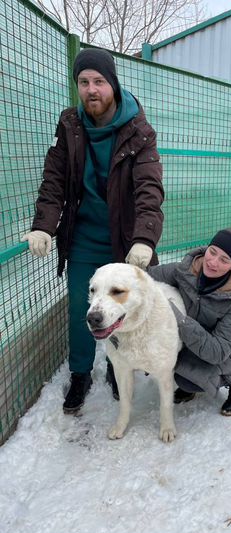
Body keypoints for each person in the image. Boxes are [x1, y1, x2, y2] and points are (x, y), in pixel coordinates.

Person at [22, 48, 164, 413]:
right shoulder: (70, 124)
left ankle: (121, 370)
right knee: (80, 310)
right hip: (84, 236)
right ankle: (81, 374)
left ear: (112, 85)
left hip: (124, 240)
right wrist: (43, 227)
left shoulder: (139, 131)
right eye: (84, 82)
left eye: (99, 81)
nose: (91, 89)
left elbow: (149, 189)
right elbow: (54, 181)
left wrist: (144, 238)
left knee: (124, 310)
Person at [148, 227, 231, 416]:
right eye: (212, 252)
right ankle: (193, 378)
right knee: (164, 358)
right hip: (197, 338)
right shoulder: (184, 270)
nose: (213, 262)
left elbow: (218, 352)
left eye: (224, 260)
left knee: (187, 378)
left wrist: (178, 320)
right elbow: (144, 276)